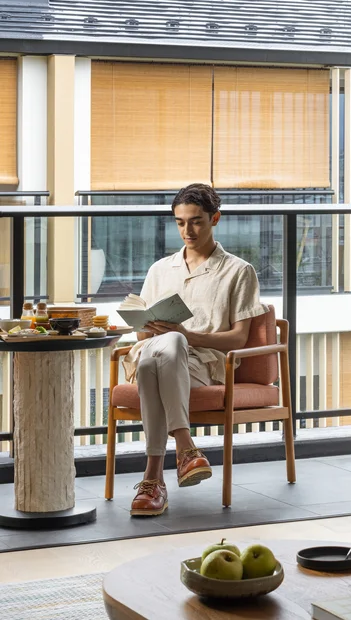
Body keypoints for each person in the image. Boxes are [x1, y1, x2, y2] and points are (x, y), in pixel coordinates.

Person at [123, 184, 266, 517]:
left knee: (163, 353)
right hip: (155, 354)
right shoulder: (160, 270)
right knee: (155, 355)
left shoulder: (239, 271)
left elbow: (238, 339)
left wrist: (187, 335)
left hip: (203, 364)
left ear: (215, 218)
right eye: (180, 222)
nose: (187, 230)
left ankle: (153, 480)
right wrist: (145, 325)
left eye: (197, 221)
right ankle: (185, 450)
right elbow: (143, 332)